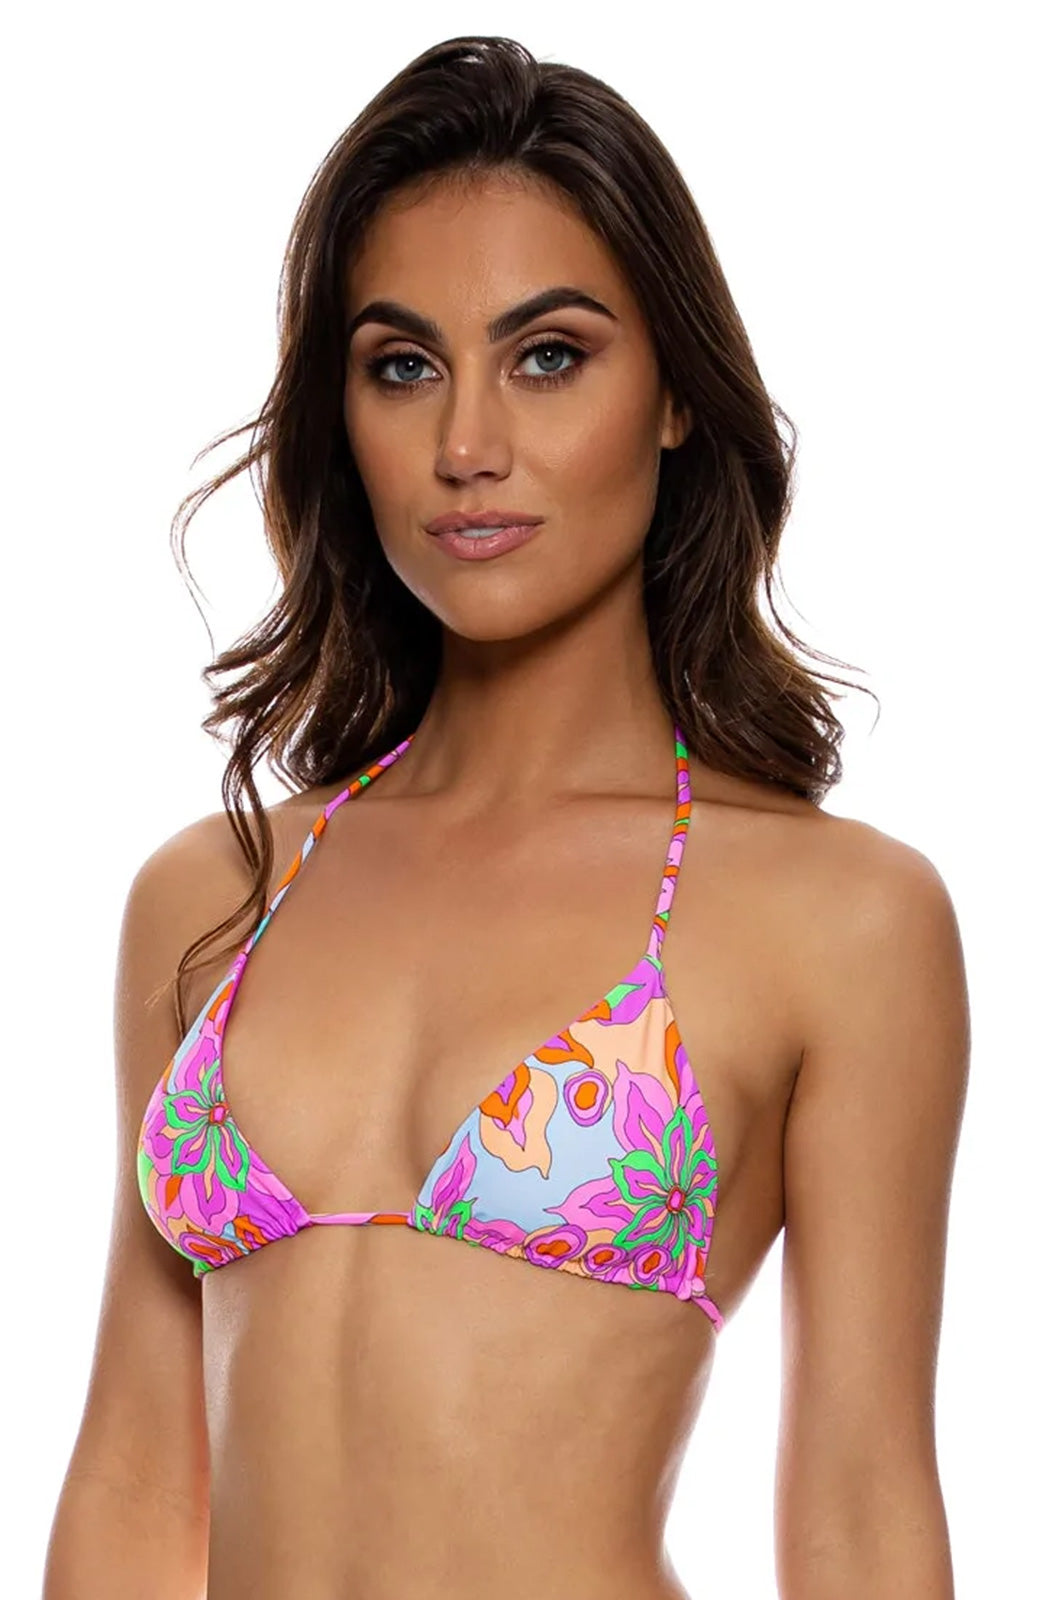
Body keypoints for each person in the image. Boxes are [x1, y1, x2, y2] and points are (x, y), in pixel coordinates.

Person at [43, 33, 970, 1600]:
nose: (468, 446)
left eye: (548, 356)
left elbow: (861, 1513)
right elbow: (137, 1480)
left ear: (674, 396)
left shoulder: (839, 920)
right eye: (403, 367)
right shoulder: (215, 893)